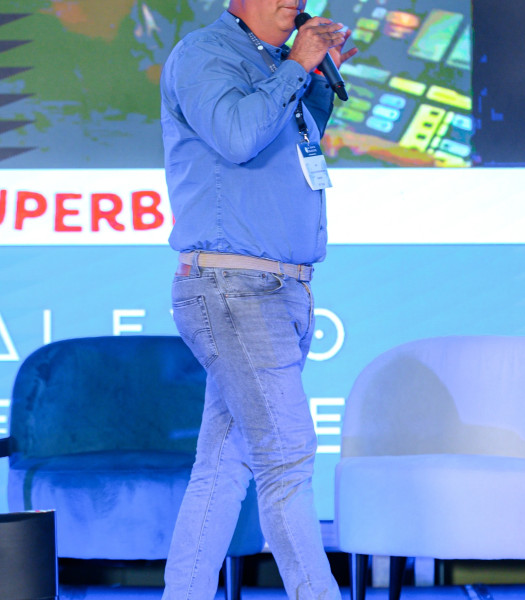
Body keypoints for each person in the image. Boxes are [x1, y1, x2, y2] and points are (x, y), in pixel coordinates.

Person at [159, 1, 357, 598]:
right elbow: (239, 136)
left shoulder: (276, 62)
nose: (293, 0)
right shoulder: (205, 53)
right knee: (287, 458)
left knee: (223, 465)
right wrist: (297, 66)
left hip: (280, 287)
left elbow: (291, 144)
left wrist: (313, 77)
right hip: (234, 288)